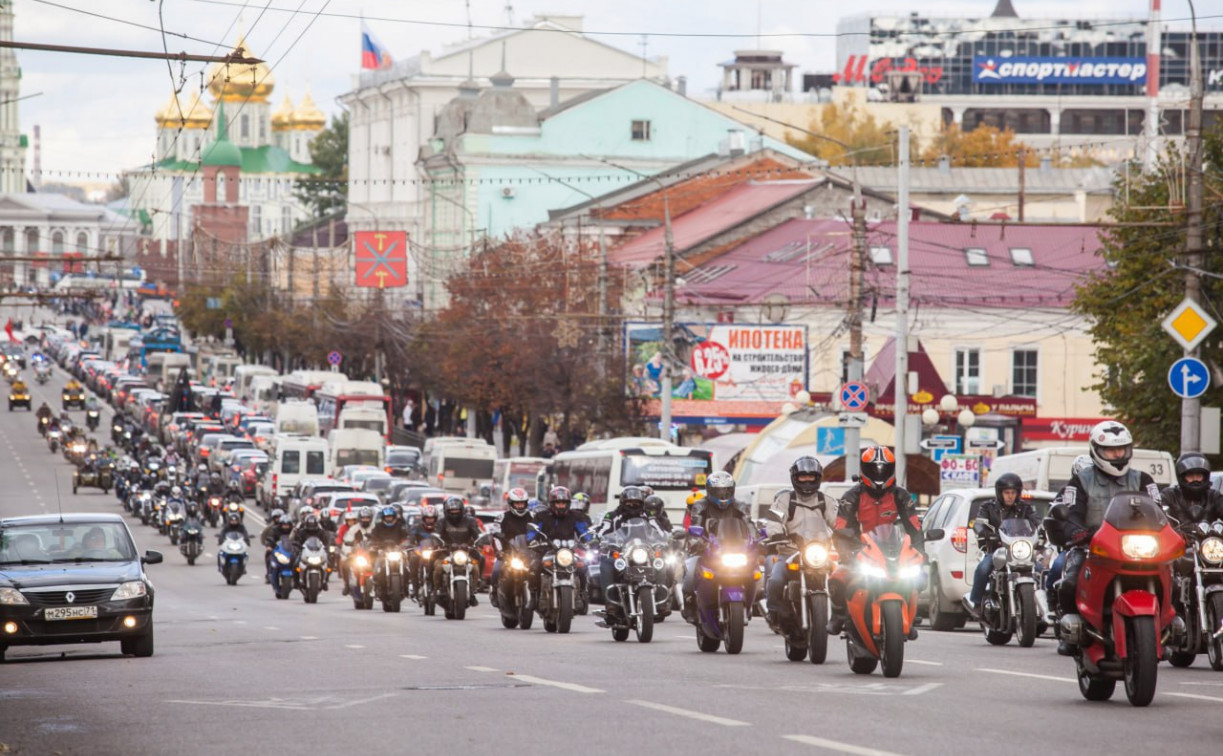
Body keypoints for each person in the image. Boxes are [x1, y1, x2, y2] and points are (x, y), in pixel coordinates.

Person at [1049, 420, 1161, 656]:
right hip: (1093, 547)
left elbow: (1161, 511)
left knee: (1176, 576)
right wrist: (1076, 531)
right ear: (1096, 451)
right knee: (1069, 581)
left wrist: (1172, 528)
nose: (1117, 455)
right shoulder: (1080, 481)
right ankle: (1071, 631)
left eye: (1121, 449)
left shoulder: (1144, 480)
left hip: (1137, 548)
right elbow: (1070, 513)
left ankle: (1168, 630)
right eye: (1111, 450)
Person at [827, 446, 924, 636]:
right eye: (873, 469)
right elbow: (840, 527)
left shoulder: (901, 495)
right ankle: (838, 615)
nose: (879, 473)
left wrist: (920, 550)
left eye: (884, 469)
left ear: (892, 469)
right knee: (837, 578)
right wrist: (847, 552)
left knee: (919, 578)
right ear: (864, 469)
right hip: (861, 550)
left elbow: (914, 526)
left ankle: (910, 617)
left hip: (894, 551)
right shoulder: (852, 496)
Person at [764, 456, 839, 627]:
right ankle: (774, 612)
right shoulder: (784, 500)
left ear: (818, 478)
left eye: (810, 476)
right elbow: (774, 520)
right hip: (791, 552)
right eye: (802, 477)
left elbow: (838, 522)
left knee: (844, 578)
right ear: (795, 478)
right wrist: (776, 534)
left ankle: (841, 615)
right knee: (775, 579)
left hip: (819, 553)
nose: (806, 481)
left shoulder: (825, 501)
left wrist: (846, 533)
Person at [961, 472, 1038, 619]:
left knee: (1040, 569)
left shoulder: (1025, 508)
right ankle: (976, 602)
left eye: (1013, 493)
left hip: (1019, 551)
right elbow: (979, 523)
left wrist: (1041, 530)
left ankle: (1041, 604)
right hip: (998, 551)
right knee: (983, 569)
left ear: (1018, 493)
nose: (1010, 496)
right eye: (1006, 492)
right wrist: (983, 532)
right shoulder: (988, 507)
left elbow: (1036, 522)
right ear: (1000, 493)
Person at [680, 471, 754, 621]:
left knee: (755, 572)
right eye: (718, 491)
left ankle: (750, 604)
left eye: (726, 490)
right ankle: (690, 605)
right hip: (707, 549)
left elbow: (750, 525)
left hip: (735, 549)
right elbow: (695, 526)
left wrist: (757, 541)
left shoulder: (740, 506)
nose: (722, 494)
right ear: (709, 491)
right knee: (690, 571)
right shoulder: (700, 506)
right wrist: (696, 541)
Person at [489, 488, 535, 607]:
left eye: (522, 503)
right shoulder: (502, 518)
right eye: (517, 503)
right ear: (510, 503)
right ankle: (494, 592)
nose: (520, 506)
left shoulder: (533, 516)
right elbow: (495, 536)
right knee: (496, 570)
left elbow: (541, 534)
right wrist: (500, 552)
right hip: (508, 554)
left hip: (528, 553)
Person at [434, 496, 484, 602]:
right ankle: (436, 590)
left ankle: (474, 589)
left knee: (476, 566)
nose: (454, 513)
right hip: (446, 552)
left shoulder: (470, 521)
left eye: (456, 510)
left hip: (466, 552)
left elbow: (478, 535)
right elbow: (436, 535)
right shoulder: (441, 521)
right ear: (446, 511)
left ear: (462, 510)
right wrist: (441, 543)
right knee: (438, 567)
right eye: (452, 510)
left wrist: (480, 542)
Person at [406, 505, 440, 597]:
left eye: (432, 518)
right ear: (423, 518)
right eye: (427, 518)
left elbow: (445, 539)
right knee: (413, 559)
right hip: (421, 552)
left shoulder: (439, 528)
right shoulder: (416, 527)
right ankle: (415, 587)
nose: (430, 520)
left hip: (436, 552)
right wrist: (411, 546)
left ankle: (442, 586)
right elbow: (411, 539)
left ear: (435, 519)